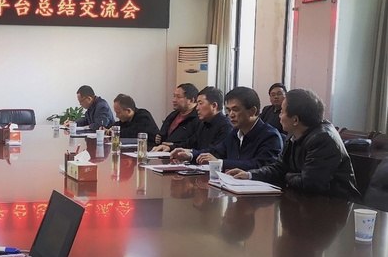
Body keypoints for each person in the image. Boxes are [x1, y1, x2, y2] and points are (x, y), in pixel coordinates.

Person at [228, 89, 361, 201]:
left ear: (295, 120)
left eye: (282, 112)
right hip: (306, 202)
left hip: (336, 207)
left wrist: (286, 175)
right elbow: (279, 168)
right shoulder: (294, 134)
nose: (279, 116)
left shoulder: (323, 139)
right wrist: (249, 175)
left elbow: (310, 184)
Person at [171, 86, 283, 171]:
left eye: (235, 109)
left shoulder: (270, 136)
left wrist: (220, 163)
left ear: (252, 111)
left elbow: (259, 165)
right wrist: (190, 155)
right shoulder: (236, 133)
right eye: (229, 110)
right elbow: (215, 151)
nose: (231, 115)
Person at [154, 86, 232, 152]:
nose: (197, 108)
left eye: (200, 103)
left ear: (214, 106)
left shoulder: (225, 126)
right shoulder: (204, 124)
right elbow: (189, 144)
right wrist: (170, 147)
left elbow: (216, 152)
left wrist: (191, 153)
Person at [155, 83, 199, 148]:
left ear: (191, 100)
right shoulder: (173, 115)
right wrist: (159, 139)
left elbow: (195, 143)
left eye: (178, 97)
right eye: (174, 96)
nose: (174, 100)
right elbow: (162, 135)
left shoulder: (198, 118)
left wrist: (173, 146)